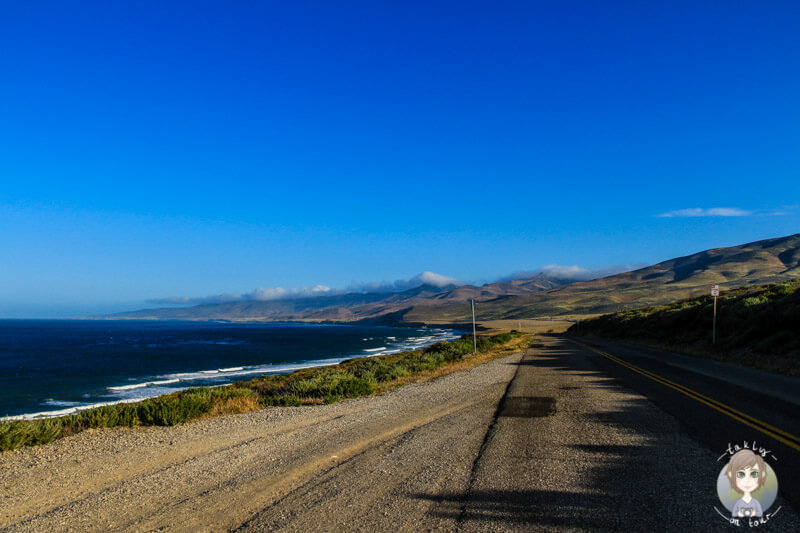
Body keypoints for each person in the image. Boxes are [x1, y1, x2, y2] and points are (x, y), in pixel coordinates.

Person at [725, 449, 767, 518]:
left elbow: (760, 513)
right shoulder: (739, 502)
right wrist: (739, 513)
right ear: (731, 475)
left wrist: (753, 513)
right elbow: (734, 513)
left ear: (762, 475)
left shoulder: (755, 502)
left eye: (754, 474)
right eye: (741, 474)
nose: (747, 480)